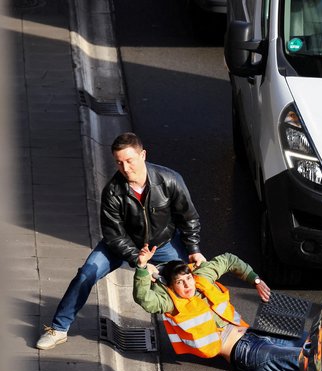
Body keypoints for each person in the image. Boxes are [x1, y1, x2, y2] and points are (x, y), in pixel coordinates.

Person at [37, 132, 206, 350]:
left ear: (142, 155)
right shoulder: (113, 192)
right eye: (119, 163)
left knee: (189, 282)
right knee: (86, 274)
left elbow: (188, 218)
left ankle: (210, 333)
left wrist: (193, 249)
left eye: (129, 161)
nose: (125, 169)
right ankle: (59, 329)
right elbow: (113, 235)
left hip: (163, 244)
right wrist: (141, 262)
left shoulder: (170, 180)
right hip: (122, 246)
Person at [133, 244, 303, 371]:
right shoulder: (170, 302)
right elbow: (145, 300)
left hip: (254, 333)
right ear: (171, 286)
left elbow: (229, 259)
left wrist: (255, 280)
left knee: (316, 340)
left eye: (188, 278)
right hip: (245, 352)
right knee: (307, 359)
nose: (187, 285)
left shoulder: (202, 276)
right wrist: (142, 268)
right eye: (180, 282)